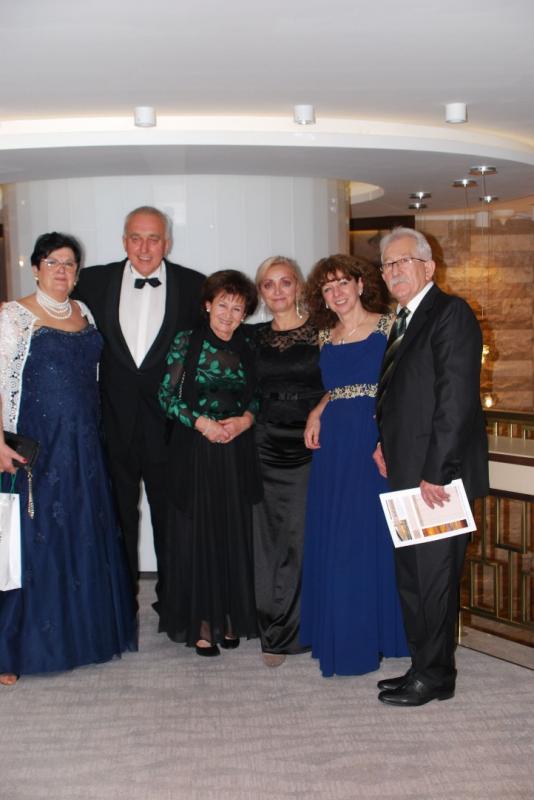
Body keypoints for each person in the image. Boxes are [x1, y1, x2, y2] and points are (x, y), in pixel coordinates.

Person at [0, 232, 137, 685]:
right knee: (30, 542)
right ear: (36, 267)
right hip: (39, 445)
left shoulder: (85, 312)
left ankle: (82, 638)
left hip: (84, 445)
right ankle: (13, 650)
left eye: (69, 264)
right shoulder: (14, 315)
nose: (61, 270)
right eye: (53, 262)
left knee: (81, 534)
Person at [373, 227, 489, 707]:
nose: (393, 271)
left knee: (435, 580)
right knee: (413, 579)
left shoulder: (450, 313)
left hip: (437, 479)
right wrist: (383, 444)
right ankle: (422, 666)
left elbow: (455, 400)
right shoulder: (401, 321)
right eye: (387, 264)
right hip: (405, 473)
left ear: (428, 267)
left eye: (403, 261)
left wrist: (436, 472)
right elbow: (402, 397)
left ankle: (436, 676)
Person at [74, 207, 204, 597]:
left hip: (170, 428)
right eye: (136, 238)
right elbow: (53, 305)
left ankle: (174, 605)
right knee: (117, 519)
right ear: (124, 241)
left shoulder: (195, 285)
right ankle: (122, 603)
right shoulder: (92, 281)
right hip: (113, 423)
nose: (144, 248)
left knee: (172, 518)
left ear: (167, 243)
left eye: (153, 239)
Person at [300, 254, 408, 678]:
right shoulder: (325, 336)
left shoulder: (389, 326)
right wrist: (317, 409)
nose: (337, 293)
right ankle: (343, 635)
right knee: (338, 536)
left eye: (343, 283)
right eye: (328, 288)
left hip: (372, 439)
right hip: (333, 445)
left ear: (361, 285)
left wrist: (388, 439)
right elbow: (339, 387)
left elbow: (400, 386)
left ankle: (376, 636)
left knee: (369, 537)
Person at [157, 270, 260, 656]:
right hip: (195, 449)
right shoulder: (187, 340)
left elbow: (258, 396)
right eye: (222, 305)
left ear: (245, 313)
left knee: (232, 533)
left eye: (237, 308)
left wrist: (245, 420)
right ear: (207, 305)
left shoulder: (249, 344)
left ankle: (229, 618)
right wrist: (202, 423)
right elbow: (166, 397)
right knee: (198, 536)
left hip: (235, 450)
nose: (229, 315)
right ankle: (202, 623)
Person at [251, 256, 323, 667]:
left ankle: (299, 628)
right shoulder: (253, 336)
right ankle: (272, 632)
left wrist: (320, 410)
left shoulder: (322, 332)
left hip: (308, 443)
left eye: (285, 282)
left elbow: (342, 380)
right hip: (264, 441)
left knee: (299, 537)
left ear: (298, 286)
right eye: (268, 284)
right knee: (265, 539)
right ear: (260, 292)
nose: (277, 291)